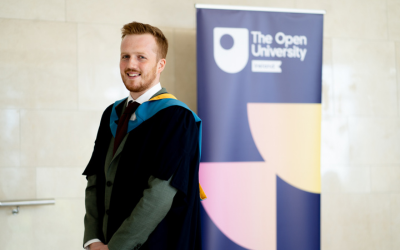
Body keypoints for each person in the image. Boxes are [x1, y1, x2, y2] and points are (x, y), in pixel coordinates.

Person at [82, 21, 204, 250]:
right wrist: (93, 239)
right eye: (125, 56)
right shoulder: (113, 113)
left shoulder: (177, 118)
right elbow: (95, 177)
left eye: (141, 57)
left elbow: (159, 195)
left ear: (161, 65)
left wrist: (116, 247)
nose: (131, 64)